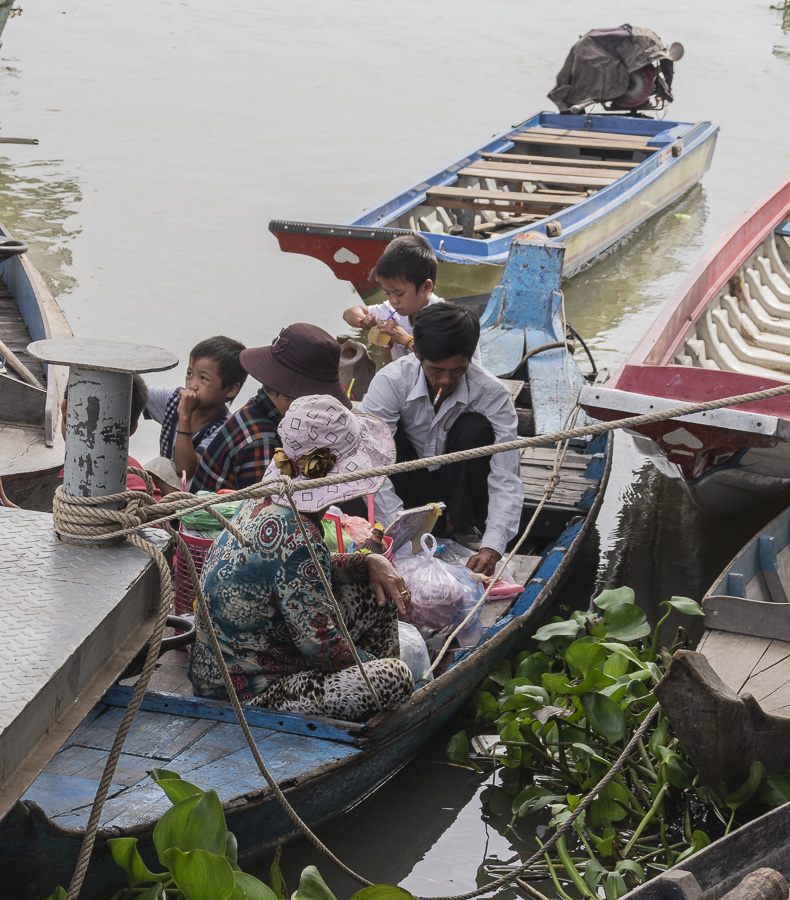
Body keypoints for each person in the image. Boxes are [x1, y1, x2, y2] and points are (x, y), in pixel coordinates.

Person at [188, 394, 414, 722]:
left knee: (374, 586)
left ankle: (376, 708)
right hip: (250, 693)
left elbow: (304, 570)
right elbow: (324, 649)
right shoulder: (301, 537)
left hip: (247, 659)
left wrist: (366, 561)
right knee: (395, 677)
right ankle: (383, 706)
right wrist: (376, 668)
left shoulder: (262, 502)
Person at [359, 303, 522, 577]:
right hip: (407, 482)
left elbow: (506, 474)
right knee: (381, 438)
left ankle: (459, 527)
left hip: (458, 490)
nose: (446, 380)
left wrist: (493, 545)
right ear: (418, 353)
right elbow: (369, 466)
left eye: (458, 370)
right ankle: (412, 525)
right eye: (436, 370)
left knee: (476, 428)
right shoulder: (390, 383)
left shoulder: (492, 393)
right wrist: (399, 533)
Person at [191, 323, 353, 494]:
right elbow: (264, 508)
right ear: (286, 395)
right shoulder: (263, 440)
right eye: (314, 400)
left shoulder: (256, 408)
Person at [343, 233, 481, 365]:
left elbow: (444, 365)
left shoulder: (446, 319)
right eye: (387, 293)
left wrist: (405, 339)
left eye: (400, 293)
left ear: (426, 287)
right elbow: (349, 313)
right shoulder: (392, 311)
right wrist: (363, 322)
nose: (393, 300)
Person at [143, 336, 246, 494]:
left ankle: (174, 516)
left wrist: (185, 416)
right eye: (190, 374)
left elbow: (185, 470)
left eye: (203, 378)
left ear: (230, 390)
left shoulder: (224, 429)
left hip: (199, 496)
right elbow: (138, 393)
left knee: (159, 465)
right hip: (172, 486)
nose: (192, 385)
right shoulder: (174, 398)